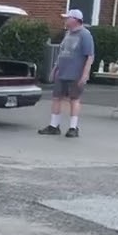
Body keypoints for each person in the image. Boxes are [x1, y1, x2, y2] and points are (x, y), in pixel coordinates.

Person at [40, 8, 95, 139]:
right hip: (62, 72)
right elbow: (62, 54)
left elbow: (90, 56)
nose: (65, 21)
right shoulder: (68, 34)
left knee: (74, 99)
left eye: (67, 18)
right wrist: (55, 69)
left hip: (75, 73)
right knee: (56, 98)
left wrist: (85, 74)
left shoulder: (85, 35)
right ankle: (54, 126)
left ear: (75, 20)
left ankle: (73, 127)